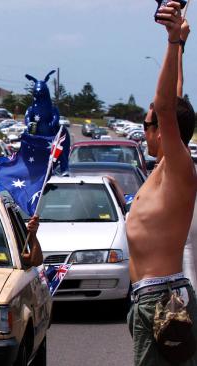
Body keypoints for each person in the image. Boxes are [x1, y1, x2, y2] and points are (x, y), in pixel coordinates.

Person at [127, 4, 197, 365]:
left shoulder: (179, 167)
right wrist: (182, 45)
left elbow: (169, 107)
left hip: (163, 300)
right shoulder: (165, 167)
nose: (144, 132)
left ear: (164, 131)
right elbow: (177, 100)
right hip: (149, 299)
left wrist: (170, 41)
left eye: (146, 125)